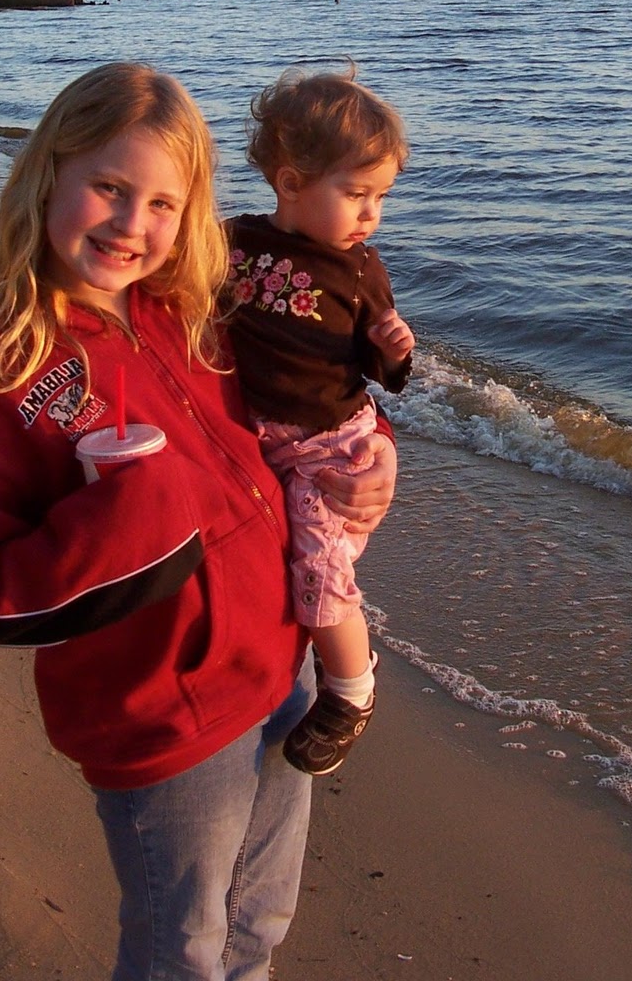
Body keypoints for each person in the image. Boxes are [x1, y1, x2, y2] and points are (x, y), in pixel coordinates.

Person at [0, 62, 397, 981]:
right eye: (109, 187)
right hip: (166, 717)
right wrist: (137, 513)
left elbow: (308, 399)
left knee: (259, 925)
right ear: (48, 172)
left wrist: (378, 451)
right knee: (183, 951)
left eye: (165, 205)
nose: (135, 225)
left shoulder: (194, 306)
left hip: (282, 666)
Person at [225, 66, 414, 777]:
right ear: (290, 182)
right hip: (267, 436)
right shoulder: (234, 243)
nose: (371, 215)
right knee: (277, 555)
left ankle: (351, 690)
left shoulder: (360, 269)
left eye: (381, 197)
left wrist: (396, 352)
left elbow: (377, 371)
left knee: (317, 558)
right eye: (355, 193)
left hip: (329, 443)